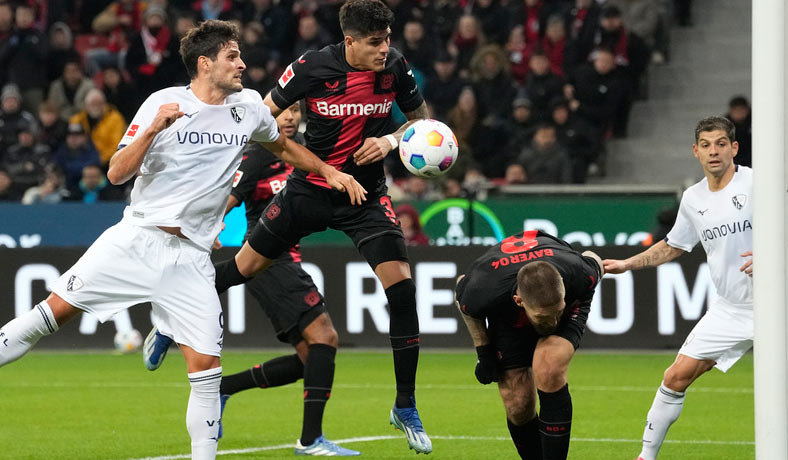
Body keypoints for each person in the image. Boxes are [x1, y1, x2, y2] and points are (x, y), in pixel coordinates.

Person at [0, 19, 363, 460]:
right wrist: (153, 129)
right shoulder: (164, 101)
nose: (243, 64)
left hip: (191, 259)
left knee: (207, 370)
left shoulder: (248, 106)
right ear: (205, 64)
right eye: (233, 56)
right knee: (50, 315)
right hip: (136, 239)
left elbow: (283, 148)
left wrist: (327, 170)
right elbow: (117, 172)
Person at [206, 0, 433, 453]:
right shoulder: (311, 68)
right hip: (308, 191)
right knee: (242, 268)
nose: (385, 49)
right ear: (349, 40)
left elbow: (422, 122)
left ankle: (404, 404)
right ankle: (169, 319)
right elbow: (262, 116)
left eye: (388, 39)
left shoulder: (396, 69)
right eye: (375, 42)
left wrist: (389, 141)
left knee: (403, 290)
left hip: (364, 197)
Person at [144, 101, 361, 456]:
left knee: (311, 357)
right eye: (282, 112)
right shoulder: (259, 154)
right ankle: (310, 441)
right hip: (267, 258)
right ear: (268, 117)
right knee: (325, 337)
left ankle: (221, 385)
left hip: (286, 257)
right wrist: (207, 228)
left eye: (295, 111)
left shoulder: (306, 150)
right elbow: (227, 199)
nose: (289, 117)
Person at [602, 116, 753, 460]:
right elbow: (672, 246)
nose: (713, 151)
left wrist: (772, 253)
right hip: (731, 308)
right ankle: (646, 456)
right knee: (675, 376)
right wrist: (627, 264)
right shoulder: (693, 199)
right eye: (706, 145)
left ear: (734, 148)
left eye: (720, 144)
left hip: (777, 303)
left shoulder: (758, 183)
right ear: (695, 152)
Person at [456, 230, 603, 460]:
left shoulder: (578, 273)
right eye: (545, 318)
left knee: (549, 365)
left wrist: (559, 312)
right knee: (517, 404)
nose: (553, 323)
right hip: (508, 318)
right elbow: (462, 294)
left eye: (556, 313)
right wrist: (483, 352)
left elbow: (594, 258)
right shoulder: (482, 290)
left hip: (567, 299)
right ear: (519, 301)